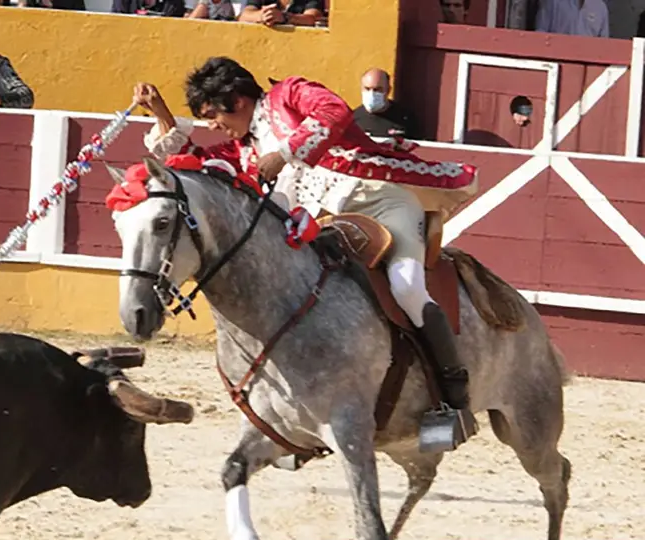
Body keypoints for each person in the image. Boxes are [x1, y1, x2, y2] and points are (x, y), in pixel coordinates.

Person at [131, 57, 480, 425]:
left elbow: (335, 111)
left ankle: (451, 393)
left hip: (379, 200)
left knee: (407, 286)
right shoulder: (244, 149)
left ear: (237, 101)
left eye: (213, 115)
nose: (213, 126)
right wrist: (161, 117)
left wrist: (283, 155)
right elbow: (193, 165)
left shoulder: (289, 93)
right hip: (322, 226)